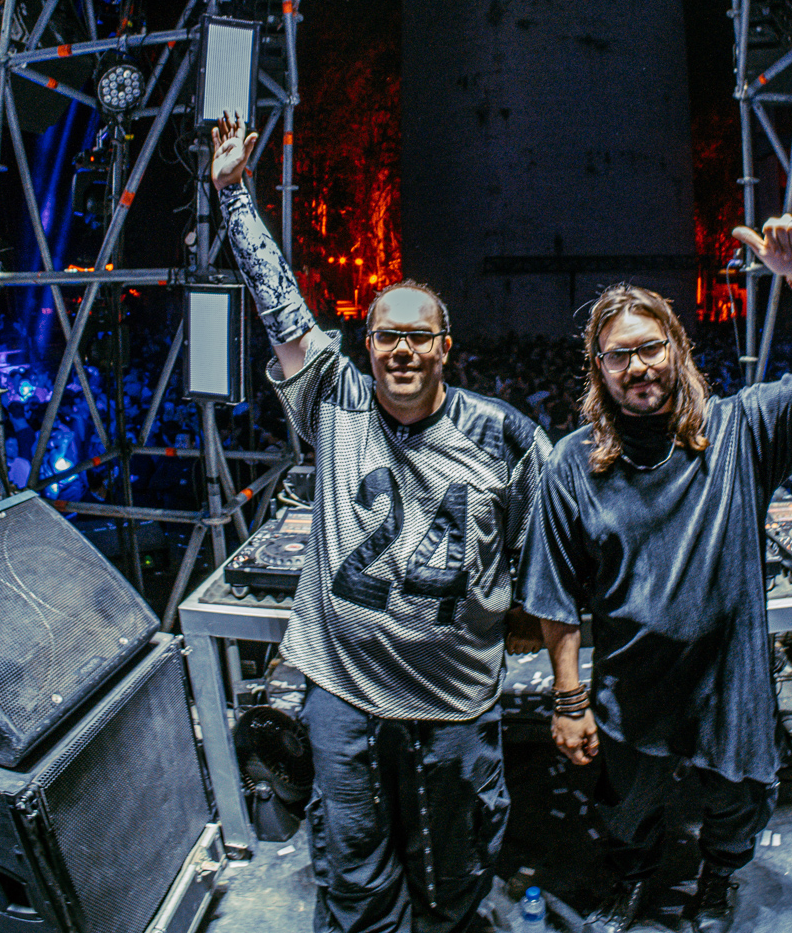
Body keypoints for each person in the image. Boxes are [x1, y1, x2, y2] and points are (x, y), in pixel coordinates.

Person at [209, 114, 551, 933]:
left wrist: (522, 641)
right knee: (355, 870)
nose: (401, 350)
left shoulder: (506, 436)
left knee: (455, 867)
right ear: (365, 345)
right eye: (386, 335)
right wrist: (233, 195)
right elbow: (280, 309)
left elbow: (542, 566)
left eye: (417, 337)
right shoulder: (334, 402)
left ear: (445, 348)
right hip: (344, 696)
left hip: (455, 704)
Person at [522, 214, 792, 933]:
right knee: (625, 808)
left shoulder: (739, 431)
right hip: (632, 690)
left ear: (677, 350)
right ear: (599, 370)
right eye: (619, 355)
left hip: (729, 689)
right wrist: (568, 698)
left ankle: (717, 880)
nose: (638, 366)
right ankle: (632, 879)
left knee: (737, 805)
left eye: (650, 347)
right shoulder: (571, 464)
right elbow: (553, 593)